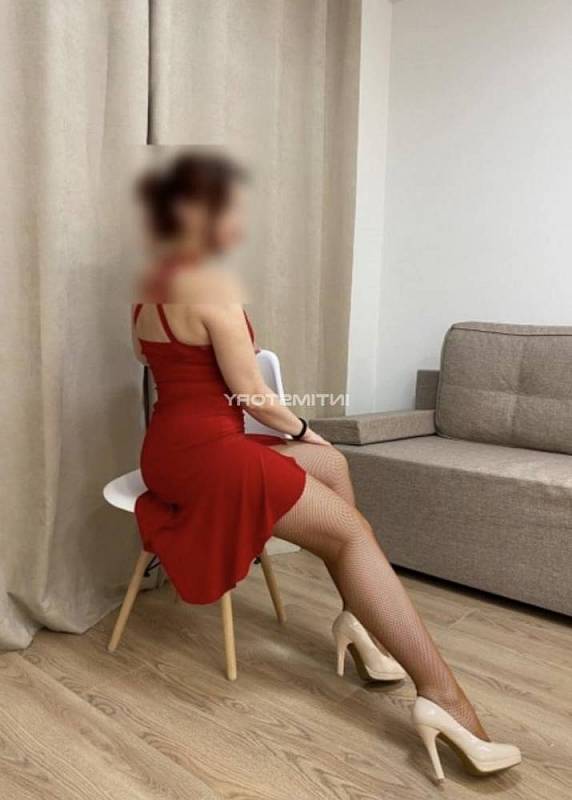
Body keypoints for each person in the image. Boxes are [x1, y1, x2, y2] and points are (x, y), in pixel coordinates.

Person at [131, 151, 520, 782]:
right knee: (351, 532)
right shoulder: (212, 289)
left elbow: (158, 364)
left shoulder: (150, 290)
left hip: (166, 451)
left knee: (332, 465)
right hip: (210, 456)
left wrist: (302, 433)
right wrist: (305, 426)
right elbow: (253, 397)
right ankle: (443, 698)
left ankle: (358, 621)